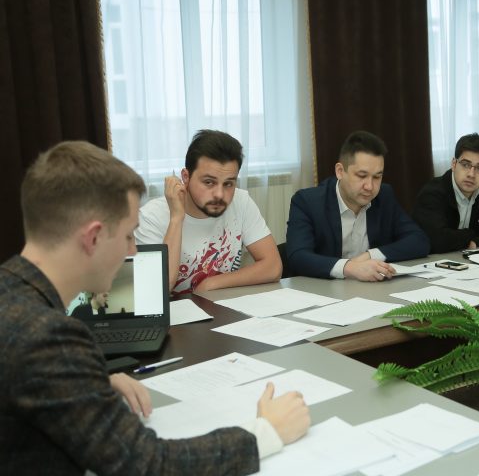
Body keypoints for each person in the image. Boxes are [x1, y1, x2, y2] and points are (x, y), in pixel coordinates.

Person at [0, 141, 310, 474]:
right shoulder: (49, 338)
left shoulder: (12, 293)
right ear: (93, 238)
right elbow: (145, 463)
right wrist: (265, 434)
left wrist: (88, 382)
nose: (134, 251)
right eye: (129, 236)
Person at [135, 130, 281, 297]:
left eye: (228, 184)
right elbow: (159, 289)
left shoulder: (241, 201)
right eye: (209, 182)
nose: (219, 194)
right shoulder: (151, 217)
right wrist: (176, 218)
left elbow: (273, 267)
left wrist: (210, 283)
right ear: (186, 177)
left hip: (222, 305)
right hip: (176, 311)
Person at [286, 131, 430, 281]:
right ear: (340, 171)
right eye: (362, 176)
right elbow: (298, 256)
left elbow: (419, 240)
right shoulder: (307, 202)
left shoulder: (384, 196)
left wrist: (370, 255)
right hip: (323, 290)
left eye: (377, 177)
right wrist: (350, 268)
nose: (370, 186)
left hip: (372, 289)